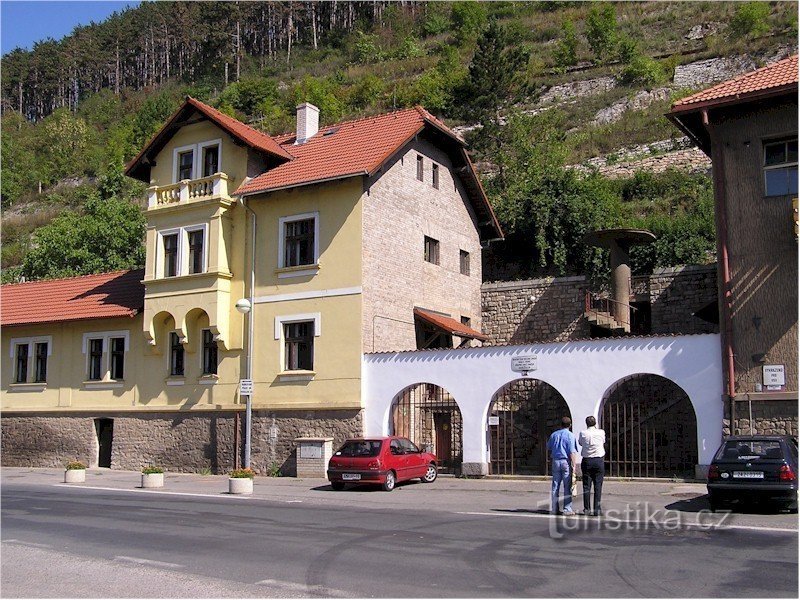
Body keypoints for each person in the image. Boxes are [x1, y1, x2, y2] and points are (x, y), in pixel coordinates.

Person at [547, 416, 579, 516]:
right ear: (570, 425)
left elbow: (549, 447)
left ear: (560, 424)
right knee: (567, 485)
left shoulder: (554, 435)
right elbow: (572, 452)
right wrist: (574, 466)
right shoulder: (570, 435)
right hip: (565, 461)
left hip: (556, 460)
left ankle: (554, 508)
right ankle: (567, 509)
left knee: (555, 485)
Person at [578, 415, 606, 516]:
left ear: (586, 423)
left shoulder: (583, 433)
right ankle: (597, 509)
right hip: (598, 460)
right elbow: (603, 441)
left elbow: (580, 443)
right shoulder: (601, 432)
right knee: (598, 485)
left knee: (586, 486)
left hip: (587, 460)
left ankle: (586, 509)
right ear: (595, 423)